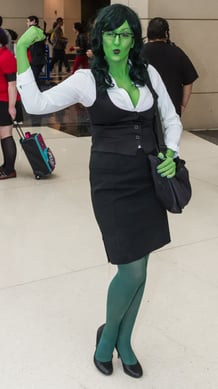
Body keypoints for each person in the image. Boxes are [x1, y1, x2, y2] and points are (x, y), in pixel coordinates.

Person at [16, 4, 183, 378]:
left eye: (125, 33)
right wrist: (18, 54)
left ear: (133, 38)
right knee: (131, 269)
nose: (118, 41)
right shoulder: (88, 80)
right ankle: (108, 337)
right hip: (111, 183)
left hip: (147, 177)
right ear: (100, 37)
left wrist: (172, 152)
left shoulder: (149, 73)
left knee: (142, 266)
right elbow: (36, 104)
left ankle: (125, 340)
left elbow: (170, 119)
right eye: (111, 33)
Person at [142, 17, 198, 116]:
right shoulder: (177, 52)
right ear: (166, 33)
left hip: (146, 108)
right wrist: (183, 105)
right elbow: (189, 81)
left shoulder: (140, 53)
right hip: (172, 108)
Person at [0, 28, 23, 179]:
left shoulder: (6, 57)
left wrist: (11, 107)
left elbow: (12, 84)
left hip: (6, 101)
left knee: (6, 135)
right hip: (1, 100)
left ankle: (9, 170)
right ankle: (6, 165)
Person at [26, 16, 46, 87]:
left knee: (34, 78)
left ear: (34, 21)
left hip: (37, 59)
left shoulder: (37, 31)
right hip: (35, 58)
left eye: (28, 21)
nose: (27, 23)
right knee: (34, 78)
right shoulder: (35, 31)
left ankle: (38, 93)